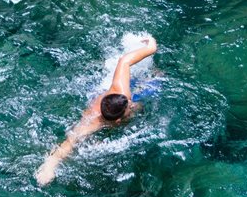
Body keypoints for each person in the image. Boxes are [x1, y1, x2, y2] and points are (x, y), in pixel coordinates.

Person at [35, 36, 158, 186]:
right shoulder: (92, 124)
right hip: (104, 117)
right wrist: (49, 168)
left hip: (101, 94)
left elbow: (124, 61)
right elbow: (68, 143)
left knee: (157, 77)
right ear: (117, 120)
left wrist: (150, 48)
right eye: (128, 107)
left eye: (128, 103)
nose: (130, 104)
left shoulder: (120, 90)